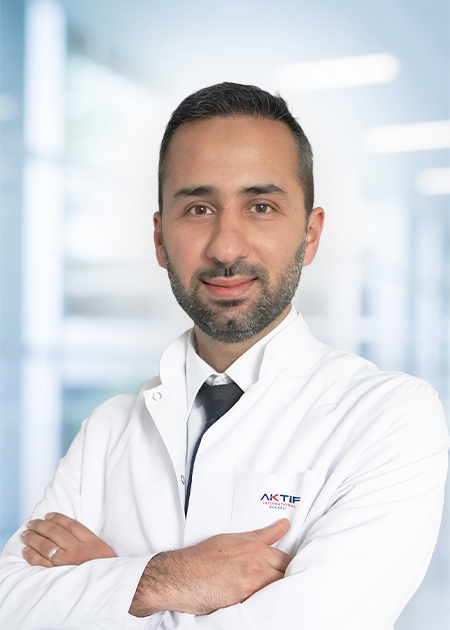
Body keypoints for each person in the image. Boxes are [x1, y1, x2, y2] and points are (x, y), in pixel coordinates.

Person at [0, 82, 449, 630]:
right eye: (198, 208)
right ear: (160, 239)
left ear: (310, 235)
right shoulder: (110, 429)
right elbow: (9, 605)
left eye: (260, 207)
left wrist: (102, 584)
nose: (226, 247)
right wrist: (165, 579)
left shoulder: (390, 417)